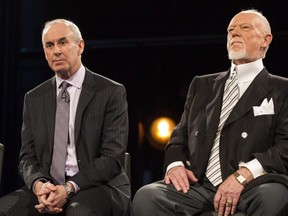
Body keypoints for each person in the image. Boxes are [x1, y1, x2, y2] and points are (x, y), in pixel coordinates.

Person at [133, 9, 288, 216]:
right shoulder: (202, 85)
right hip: (200, 186)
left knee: (274, 196)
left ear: (266, 40)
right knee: (147, 196)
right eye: (230, 30)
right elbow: (179, 137)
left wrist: (243, 175)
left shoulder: (282, 89)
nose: (235, 33)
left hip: (254, 185)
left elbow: (285, 146)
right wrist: (175, 165)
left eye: (244, 28)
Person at [0, 19, 130, 215]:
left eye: (63, 42)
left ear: (80, 46)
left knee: (79, 212)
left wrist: (69, 188)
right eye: (49, 45)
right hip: (49, 187)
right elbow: (27, 158)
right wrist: (39, 185)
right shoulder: (34, 97)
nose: (56, 51)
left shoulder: (111, 92)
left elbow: (112, 158)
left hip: (98, 186)